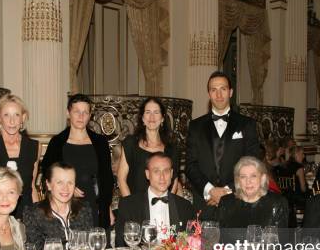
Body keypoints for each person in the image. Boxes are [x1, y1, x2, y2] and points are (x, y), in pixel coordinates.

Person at [186, 71, 260, 215]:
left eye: (223, 89)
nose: (218, 95)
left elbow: (252, 164)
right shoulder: (195, 126)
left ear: (231, 92)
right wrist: (210, 191)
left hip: (238, 200)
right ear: (209, 94)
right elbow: (190, 165)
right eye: (214, 90)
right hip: (204, 202)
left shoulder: (247, 125)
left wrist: (226, 191)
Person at [40, 94, 114, 229]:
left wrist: (107, 207)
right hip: (65, 203)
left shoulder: (100, 142)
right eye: (77, 112)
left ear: (90, 115)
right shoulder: (57, 142)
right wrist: (68, 188)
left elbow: (107, 177)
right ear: (68, 113)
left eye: (85, 112)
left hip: (96, 205)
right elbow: (47, 173)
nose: (81, 116)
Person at [115, 152, 195, 247]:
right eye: (156, 171)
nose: (162, 177)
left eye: (166, 171)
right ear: (147, 174)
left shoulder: (185, 206)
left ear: (171, 174)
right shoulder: (129, 205)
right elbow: (120, 245)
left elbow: (192, 243)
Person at [24, 162, 93, 250]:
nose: (65, 188)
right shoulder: (34, 214)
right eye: (59, 182)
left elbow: (88, 249)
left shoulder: (84, 210)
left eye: (70, 182)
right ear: (48, 185)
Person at [117, 97, 180, 196]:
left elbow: (174, 182)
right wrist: (130, 207)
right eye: (148, 112)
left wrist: (165, 205)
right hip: (135, 206)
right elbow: (121, 179)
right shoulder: (130, 143)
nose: (152, 117)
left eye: (156, 112)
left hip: (163, 206)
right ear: (142, 118)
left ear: (162, 118)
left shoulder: (172, 149)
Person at [217, 156, 289, 229]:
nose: (248, 181)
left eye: (253, 176)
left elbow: (282, 238)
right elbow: (219, 236)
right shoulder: (226, 202)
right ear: (238, 180)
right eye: (243, 177)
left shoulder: (277, 203)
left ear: (262, 178)